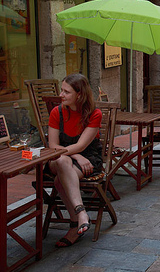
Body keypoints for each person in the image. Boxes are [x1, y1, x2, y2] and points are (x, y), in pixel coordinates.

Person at [46, 73, 103, 248]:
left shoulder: (94, 114)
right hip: (58, 158)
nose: (61, 95)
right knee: (62, 161)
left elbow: (82, 145)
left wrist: (73, 154)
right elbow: (53, 146)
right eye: (61, 90)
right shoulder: (57, 112)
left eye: (66, 92)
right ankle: (82, 213)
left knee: (60, 178)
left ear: (79, 95)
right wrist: (75, 155)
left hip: (88, 157)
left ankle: (73, 224)